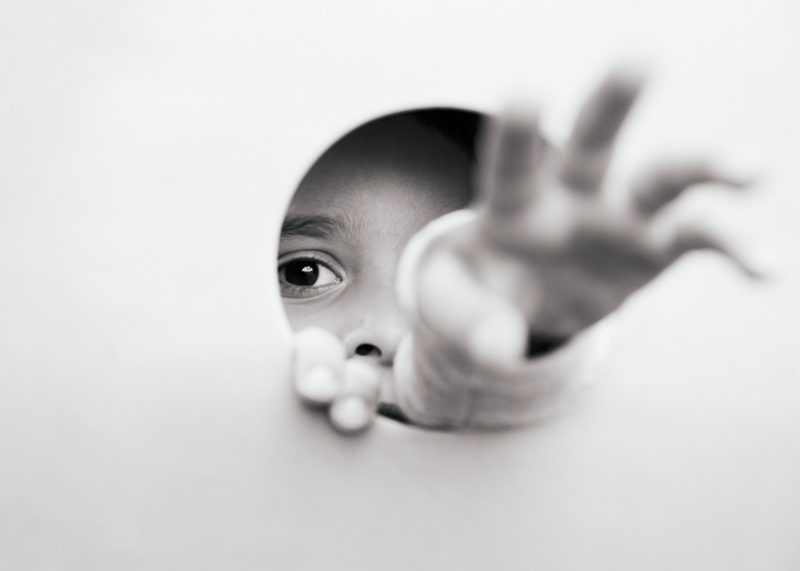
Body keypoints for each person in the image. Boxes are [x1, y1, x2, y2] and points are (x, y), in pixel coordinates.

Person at [278, 67, 762, 433]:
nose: (386, 332)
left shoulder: (459, 374)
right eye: (304, 272)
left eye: (463, 280)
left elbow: (469, 388)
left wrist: (531, 341)